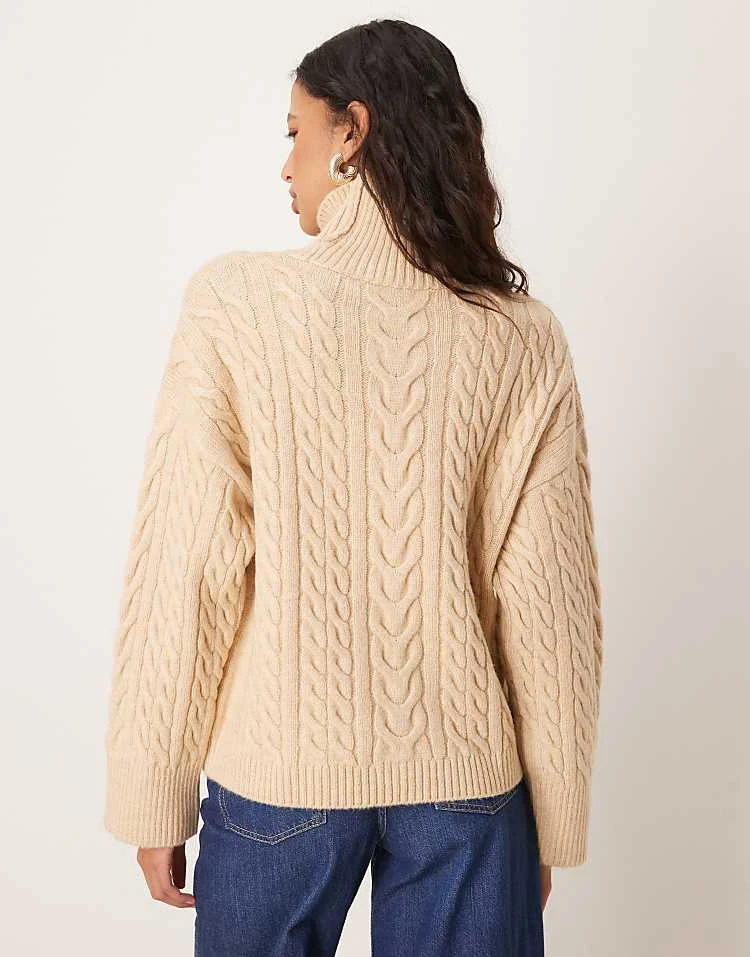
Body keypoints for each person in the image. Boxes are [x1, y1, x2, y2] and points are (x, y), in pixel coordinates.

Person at [103, 18, 603, 957]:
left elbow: (188, 563)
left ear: (353, 132)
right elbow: (549, 602)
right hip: (467, 788)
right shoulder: (520, 333)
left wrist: (152, 790)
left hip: (279, 774)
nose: (284, 163)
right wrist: (553, 814)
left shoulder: (235, 303)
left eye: (296, 131)